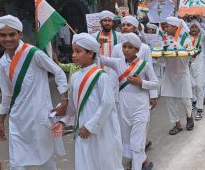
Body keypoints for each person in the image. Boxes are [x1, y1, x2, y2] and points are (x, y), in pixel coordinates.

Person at [0, 15, 68, 170]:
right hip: (17, 119)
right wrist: (1, 121)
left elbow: (59, 73)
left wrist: (64, 100)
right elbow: (6, 94)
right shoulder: (3, 61)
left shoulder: (33, 53)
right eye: (3, 35)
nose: (8, 38)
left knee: (45, 159)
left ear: (20, 34)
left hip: (37, 116)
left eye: (12, 34)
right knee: (17, 161)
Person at [52, 33, 123, 170]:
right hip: (82, 130)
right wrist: (62, 121)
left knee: (105, 162)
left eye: (78, 51)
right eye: (73, 51)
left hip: (101, 131)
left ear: (90, 53)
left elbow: (107, 103)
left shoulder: (101, 76)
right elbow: (73, 106)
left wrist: (90, 127)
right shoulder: (75, 77)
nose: (73, 55)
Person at [100, 33, 158, 170]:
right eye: (124, 47)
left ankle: (136, 166)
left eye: (130, 47)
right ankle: (146, 164)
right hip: (124, 109)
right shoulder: (118, 62)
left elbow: (156, 83)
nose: (126, 50)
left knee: (137, 144)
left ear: (137, 50)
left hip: (141, 108)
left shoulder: (145, 65)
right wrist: (98, 45)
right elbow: (100, 59)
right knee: (127, 141)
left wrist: (141, 82)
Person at [158, 16, 194, 135]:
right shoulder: (165, 40)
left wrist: (179, 50)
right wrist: (158, 56)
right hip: (169, 74)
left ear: (174, 27)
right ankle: (177, 124)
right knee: (170, 100)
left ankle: (189, 116)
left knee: (185, 99)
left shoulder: (186, 40)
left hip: (182, 73)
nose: (166, 29)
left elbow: (191, 56)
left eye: (167, 26)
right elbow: (161, 60)